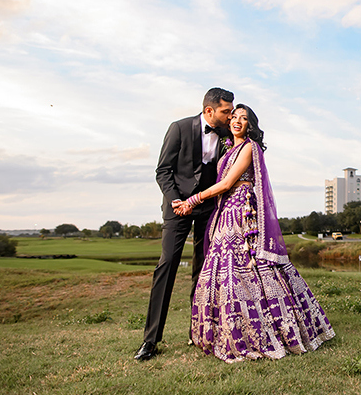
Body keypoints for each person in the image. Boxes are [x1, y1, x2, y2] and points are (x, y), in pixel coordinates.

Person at [173, 104, 335, 362]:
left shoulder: (250, 147)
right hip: (226, 211)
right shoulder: (228, 147)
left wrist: (192, 201)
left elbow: (226, 183)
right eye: (234, 116)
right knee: (224, 271)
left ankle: (272, 330)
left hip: (242, 213)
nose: (237, 121)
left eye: (244, 118)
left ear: (251, 124)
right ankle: (226, 332)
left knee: (252, 268)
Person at [134, 87, 234, 361]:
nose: (230, 115)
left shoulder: (227, 134)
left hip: (208, 209)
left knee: (202, 271)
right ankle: (150, 341)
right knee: (167, 266)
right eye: (226, 111)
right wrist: (177, 201)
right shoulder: (178, 128)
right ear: (208, 110)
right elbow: (162, 170)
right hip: (177, 208)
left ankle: (198, 333)